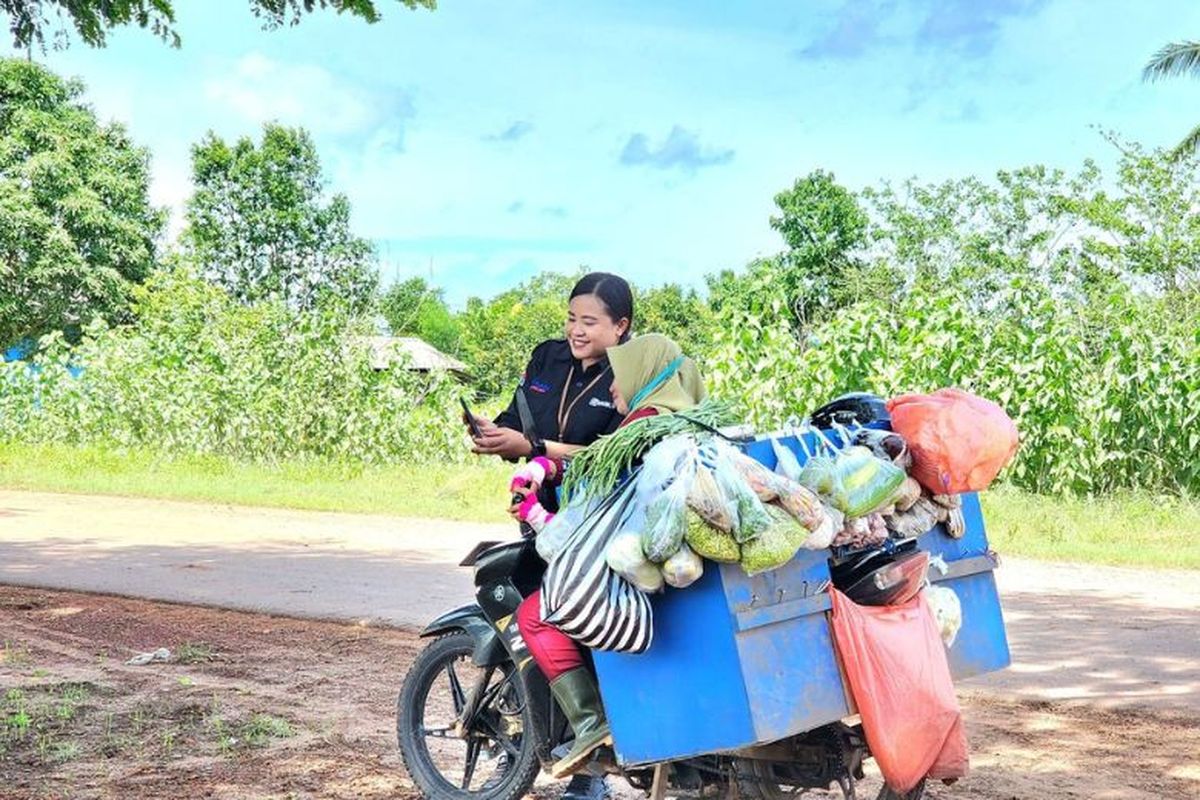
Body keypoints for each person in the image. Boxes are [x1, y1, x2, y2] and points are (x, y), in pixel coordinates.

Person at [510, 334, 705, 779]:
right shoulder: (681, 420)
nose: (611, 388)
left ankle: (590, 724)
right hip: (660, 564)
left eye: (617, 378)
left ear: (643, 377)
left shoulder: (644, 426)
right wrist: (550, 465)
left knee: (536, 615)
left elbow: (590, 513)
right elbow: (598, 462)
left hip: (625, 570)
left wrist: (537, 515)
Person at [467, 273, 634, 512]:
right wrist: (495, 435)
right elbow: (518, 419)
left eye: (588, 323)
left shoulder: (632, 374)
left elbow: (614, 456)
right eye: (571, 319)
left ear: (620, 325)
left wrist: (534, 447)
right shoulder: (547, 357)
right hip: (537, 505)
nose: (576, 331)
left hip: (600, 513)